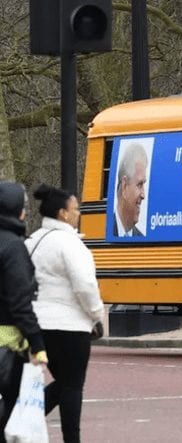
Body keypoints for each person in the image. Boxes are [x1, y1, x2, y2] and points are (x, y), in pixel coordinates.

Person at [25, 184, 105, 442]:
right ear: (63, 213)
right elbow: (85, 285)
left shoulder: (32, 242)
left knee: (63, 383)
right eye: (75, 209)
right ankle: (72, 438)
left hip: (38, 325)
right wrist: (96, 314)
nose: (78, 213)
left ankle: (22, 420)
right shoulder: (71, 244)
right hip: (70, 326)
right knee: (72, 386)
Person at [0, 181, 48, 434]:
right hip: (7, 344)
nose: (26, 212)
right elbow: (19, 302)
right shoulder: (13, 247)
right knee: (11, 412)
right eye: (23, 207)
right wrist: (37, 343)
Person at [114, 142, 148, 237]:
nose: (143, 195)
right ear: (124, 186)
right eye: (139, 184)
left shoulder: (141, 237)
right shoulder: (103, 232)